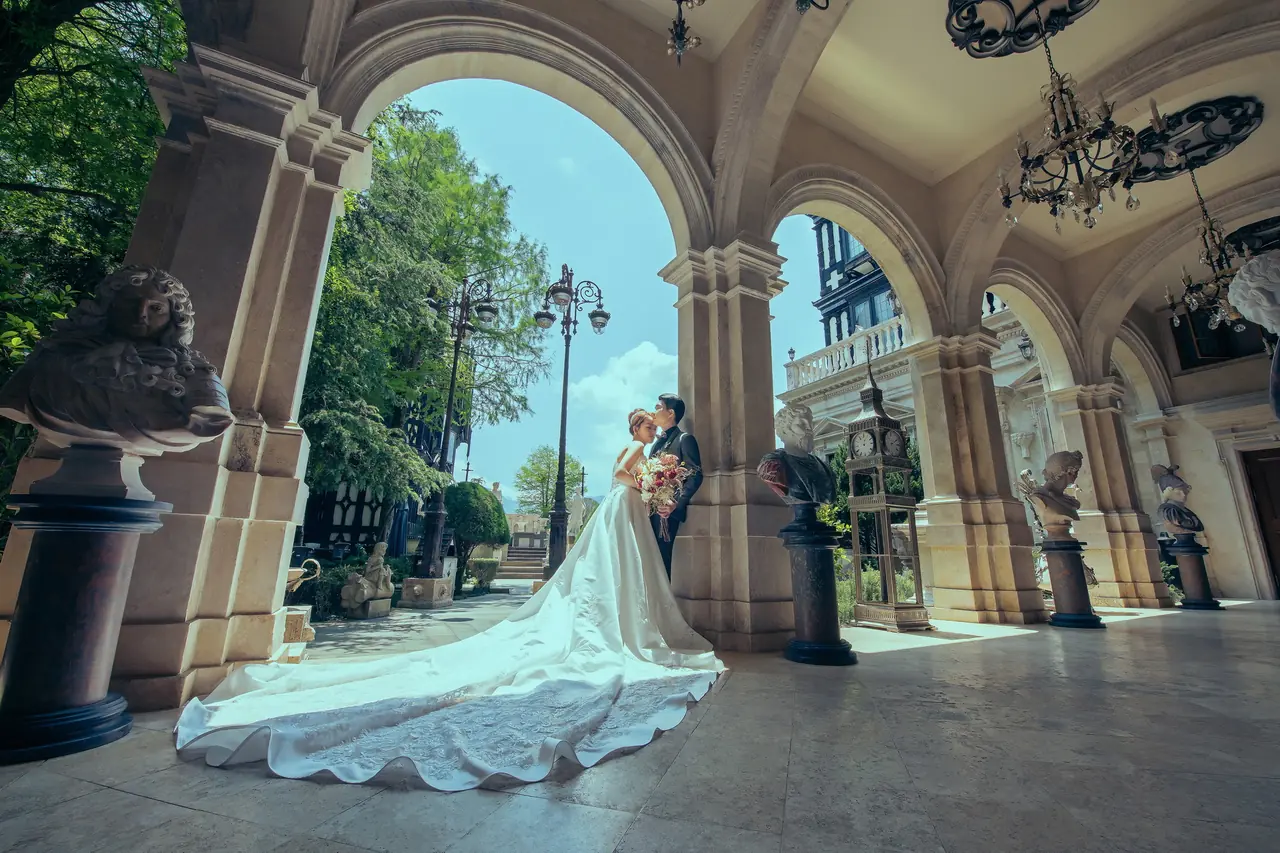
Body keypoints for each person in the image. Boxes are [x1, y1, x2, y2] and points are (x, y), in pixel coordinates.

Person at [175, 407, 723, 790]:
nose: (649, 428)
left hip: (625, 515)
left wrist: (653, 487)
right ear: (638, 427)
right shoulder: (637, 447)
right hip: (624, 509)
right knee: (618, 574)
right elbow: (622, 473)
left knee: (622, 573)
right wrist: (646, 484)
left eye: (651, 423)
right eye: (646, 423)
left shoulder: (650, 447)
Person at [648, 393, 703, 580]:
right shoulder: (656, 444)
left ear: (670, 413)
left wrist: (676, 502)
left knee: (662, 561)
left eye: (658, 408)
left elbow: (695, 474)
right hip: (649, 510)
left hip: (667, 512)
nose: (654, 411)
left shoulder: (684, 439)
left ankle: (663, 599)